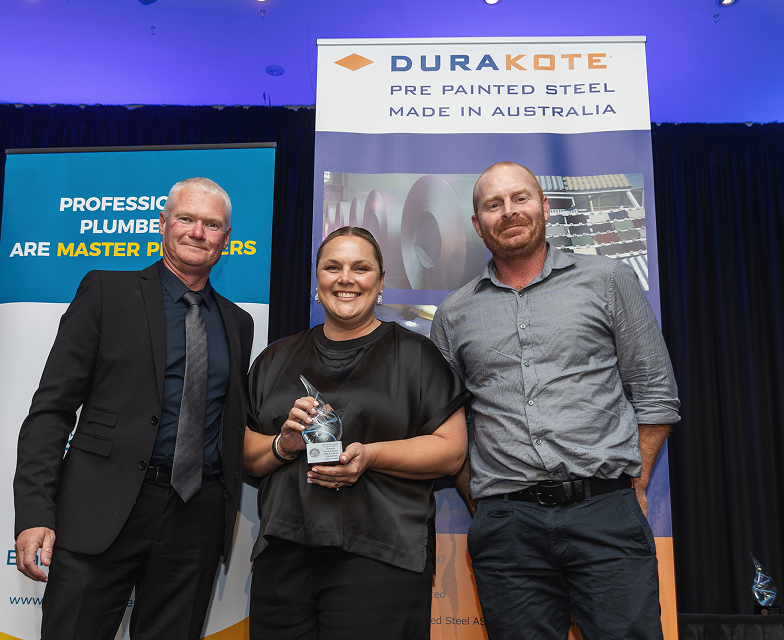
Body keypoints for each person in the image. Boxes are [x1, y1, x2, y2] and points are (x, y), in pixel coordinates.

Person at [430, 161, 681, 640]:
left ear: (545, 208)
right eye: (493, 205)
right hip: (507, 527)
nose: (509, 212)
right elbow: (448, 423)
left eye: (520, 198)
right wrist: (484, 503)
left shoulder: (607, 280)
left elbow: (656, 391)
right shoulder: (453, 312)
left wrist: (638, 482)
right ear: (477, 225)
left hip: (606, 512)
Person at [12, 177, 254, 640]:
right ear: (162, 224)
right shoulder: (105, 292)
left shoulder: (238, 324)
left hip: (194, 518)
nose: (198, 233)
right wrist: (35, 512)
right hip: (99, 509)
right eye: (186, 219)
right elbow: (51, 410)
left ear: (227, 238)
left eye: (213, 224)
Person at [243, 226, 469, 640]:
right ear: (318, 280)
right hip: (284, 557)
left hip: (380, 557)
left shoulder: (416, 356)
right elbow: (245, 453)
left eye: (360, 268)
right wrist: (284, 444)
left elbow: (451, 452)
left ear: (380, 282)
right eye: (333, 266)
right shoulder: (276, 357)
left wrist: (371, 456)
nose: (345, 277)